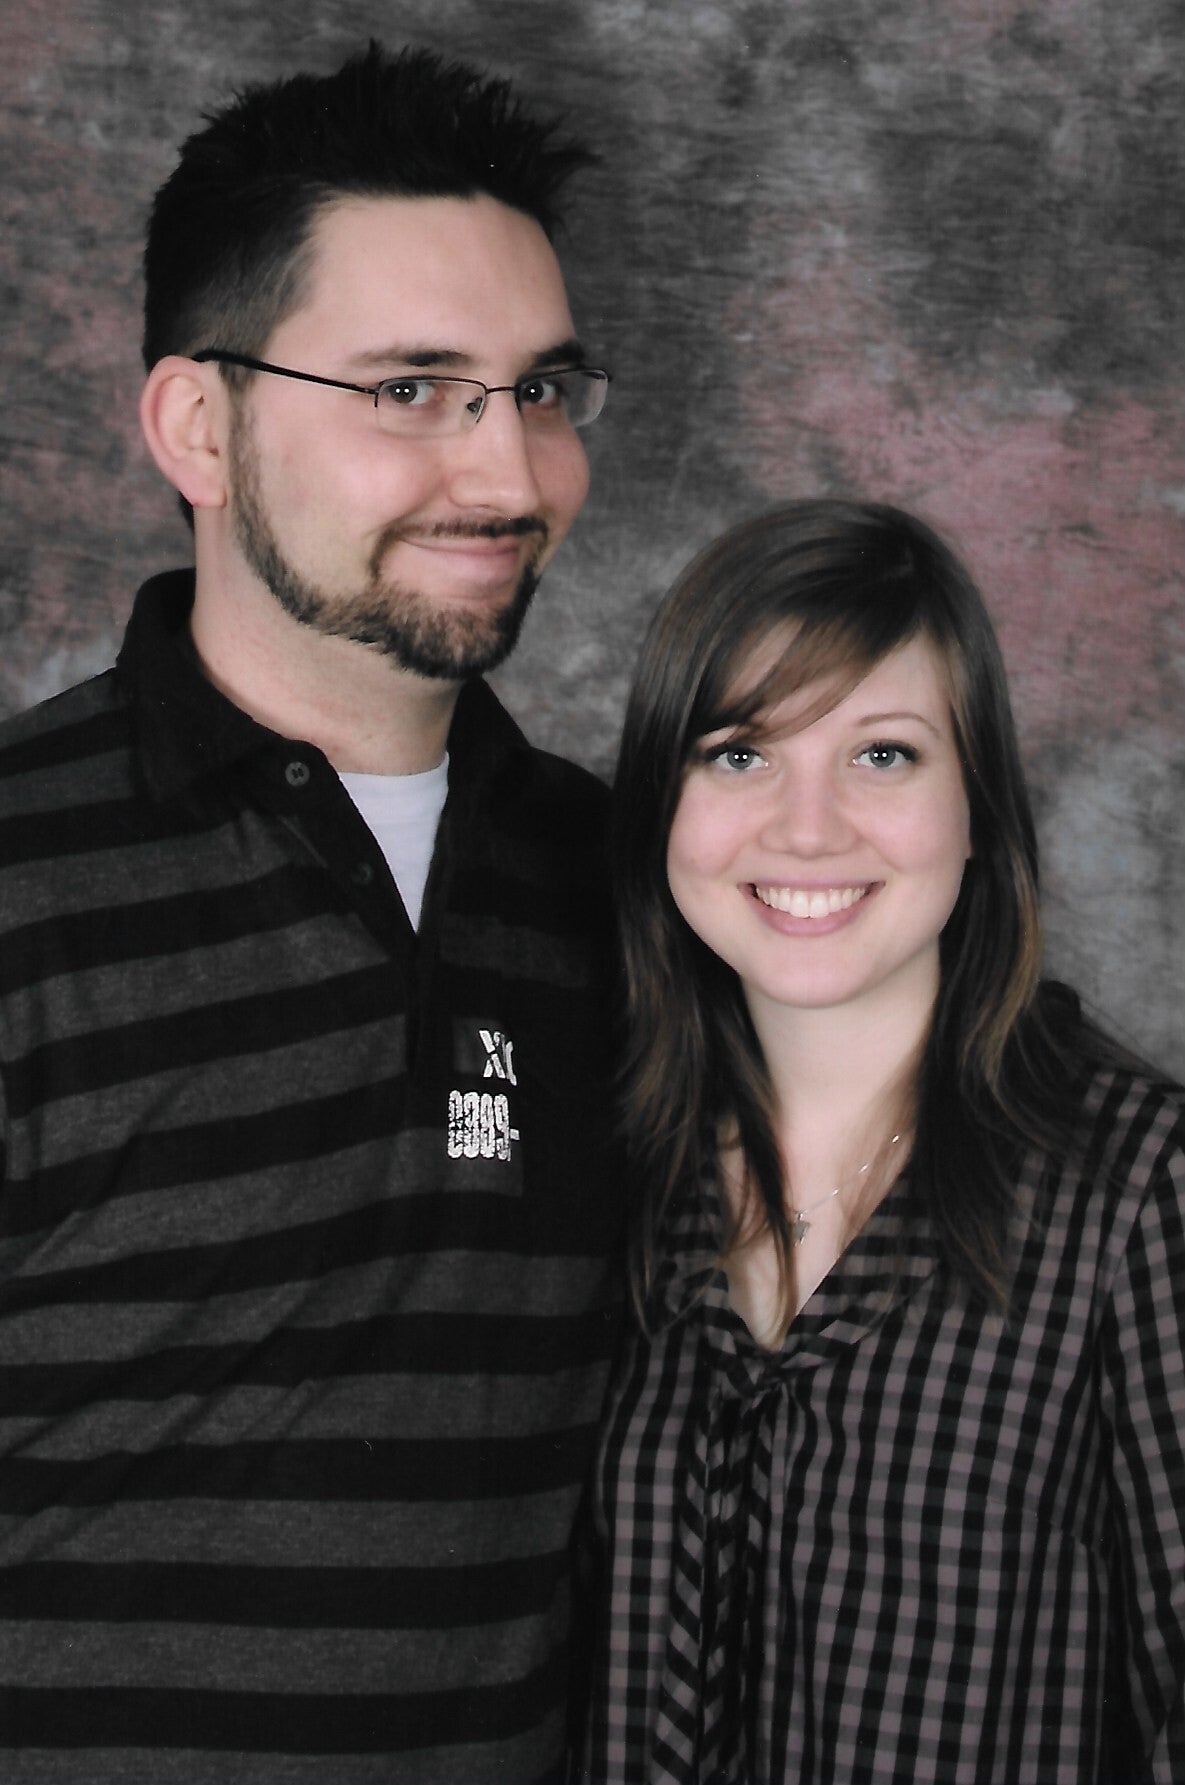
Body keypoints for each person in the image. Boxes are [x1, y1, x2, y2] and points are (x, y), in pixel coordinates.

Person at [0, 42, 622, 1785]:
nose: (508, 474)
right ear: (200, 427)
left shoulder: (634, 883)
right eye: (411, 388)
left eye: (539, 389)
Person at [582, 499, 1185, 1783]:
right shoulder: (606, 1171)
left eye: (884, 753)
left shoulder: (1136, 1189)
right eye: (739, 754)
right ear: (661, 805)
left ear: (978, 806)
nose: (808, 829)